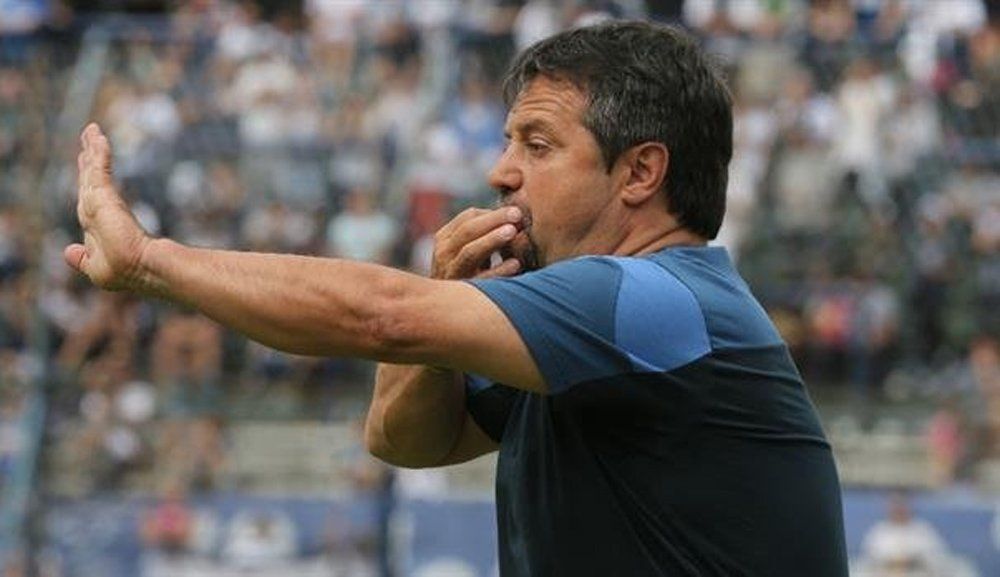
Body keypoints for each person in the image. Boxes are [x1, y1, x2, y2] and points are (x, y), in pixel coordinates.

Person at [66, 21, 847, 577]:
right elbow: (405, 439)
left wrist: (150, 261)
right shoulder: (589, 320)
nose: (501, 172)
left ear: (640, 173)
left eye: (537, 145)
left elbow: (382, 316)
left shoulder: (655, 299)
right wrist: (442, 297)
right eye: (508, 142)